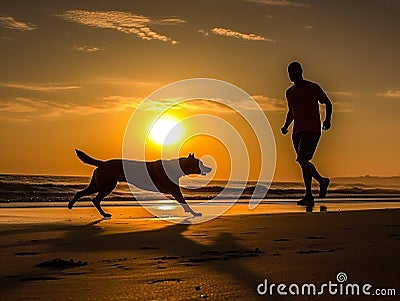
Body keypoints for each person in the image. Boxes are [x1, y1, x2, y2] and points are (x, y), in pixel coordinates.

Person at [281, 61, 333, 206]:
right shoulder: (289, 92)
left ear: (301, 71)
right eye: (289, 72)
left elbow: (328, 103)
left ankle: (309, 195)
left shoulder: (312, 87)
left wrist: (327, 120)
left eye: (294, 71)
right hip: (296, 131)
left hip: (312, 129)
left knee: (303, 160)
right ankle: (322, 181)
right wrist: (285, 126)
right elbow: (291, 112)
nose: (291, 75)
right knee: (303, 161)